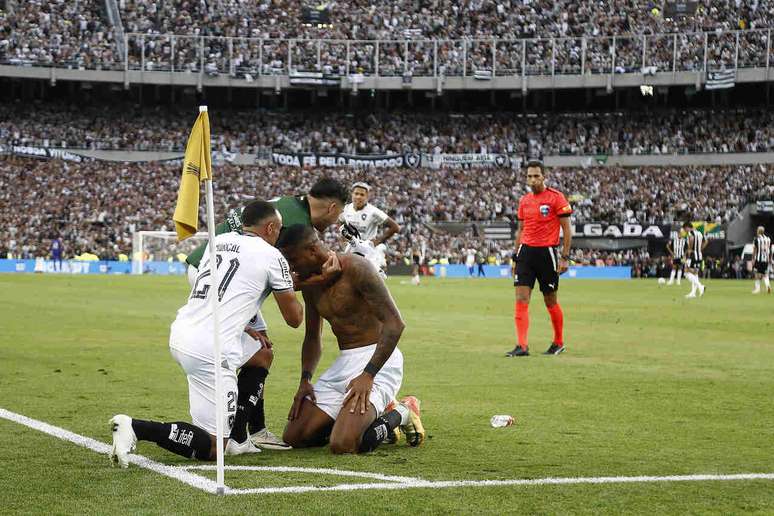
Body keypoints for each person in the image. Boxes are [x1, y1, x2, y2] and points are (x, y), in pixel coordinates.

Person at [109, 201, 304, 467]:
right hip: (212, 350)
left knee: (262, 354)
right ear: (270, 227)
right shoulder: (272, 256)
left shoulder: (218, 240)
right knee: (214, 448)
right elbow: (294, 319)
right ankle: (136, 427)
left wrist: (245, 325)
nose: (278, 235)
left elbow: (220, 290)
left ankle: (237, 435)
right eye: (278, 230)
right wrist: (296, 283)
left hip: (182, 333)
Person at [184, 177, 348, 450]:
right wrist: (322, 278)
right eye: (339, 214)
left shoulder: (289, 204)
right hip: (216, 273)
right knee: (260, 350)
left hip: (207, 268)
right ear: (332, 207)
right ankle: (244, 430)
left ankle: (246, 428)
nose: (336, 222)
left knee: (258, 348)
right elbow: (283, 281)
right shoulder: (297, 224)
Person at [278, 225, 425, 454]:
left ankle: (403, 411)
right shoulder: (310, 283)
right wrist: (305, 380)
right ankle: (360, 418)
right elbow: (312, 337)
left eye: (293, 259)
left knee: (343, 444)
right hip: (345, 362)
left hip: (377, 361)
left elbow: (395, 324)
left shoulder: (358, 268)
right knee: (295, 436)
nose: (291, 267)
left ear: (312, 251)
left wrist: (368, 375)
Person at [506, 160, 572, 357]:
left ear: (544, 176)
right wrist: (515, 257)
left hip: (547, 253)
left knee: (550, 300)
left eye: (536, 176)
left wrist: (565, 257)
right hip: (526, 253)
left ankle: (558, 342)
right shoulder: (524, 201)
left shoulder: (556, 198)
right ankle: (522, 346)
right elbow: (521, 230)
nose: (532, 179)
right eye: (529, 176)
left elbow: (567, 229)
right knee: (521, 298)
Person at [683, 221, 708, 298]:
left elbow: (691, 239)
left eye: (685, 229)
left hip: (693, 255)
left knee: (686, 272)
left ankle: (701, 286)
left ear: (687, 227)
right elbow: (706, 242)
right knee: (695, 273)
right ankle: (693, 293)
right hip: (699, 254)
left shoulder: (691, 233)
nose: (685, 231)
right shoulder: (700, 233)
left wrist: (690, 250)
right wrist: (700, 249)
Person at [751, 226, 771, 294]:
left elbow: (754, 250)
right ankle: (768, 285)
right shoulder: (768, 239)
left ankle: (757, 289)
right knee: (765, 274)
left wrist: (753, 259)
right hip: (766, 259)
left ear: (758, 231)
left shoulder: (756, 239)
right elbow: (769, 250)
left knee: (756, 274)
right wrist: (770, 258)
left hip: (759, 259)